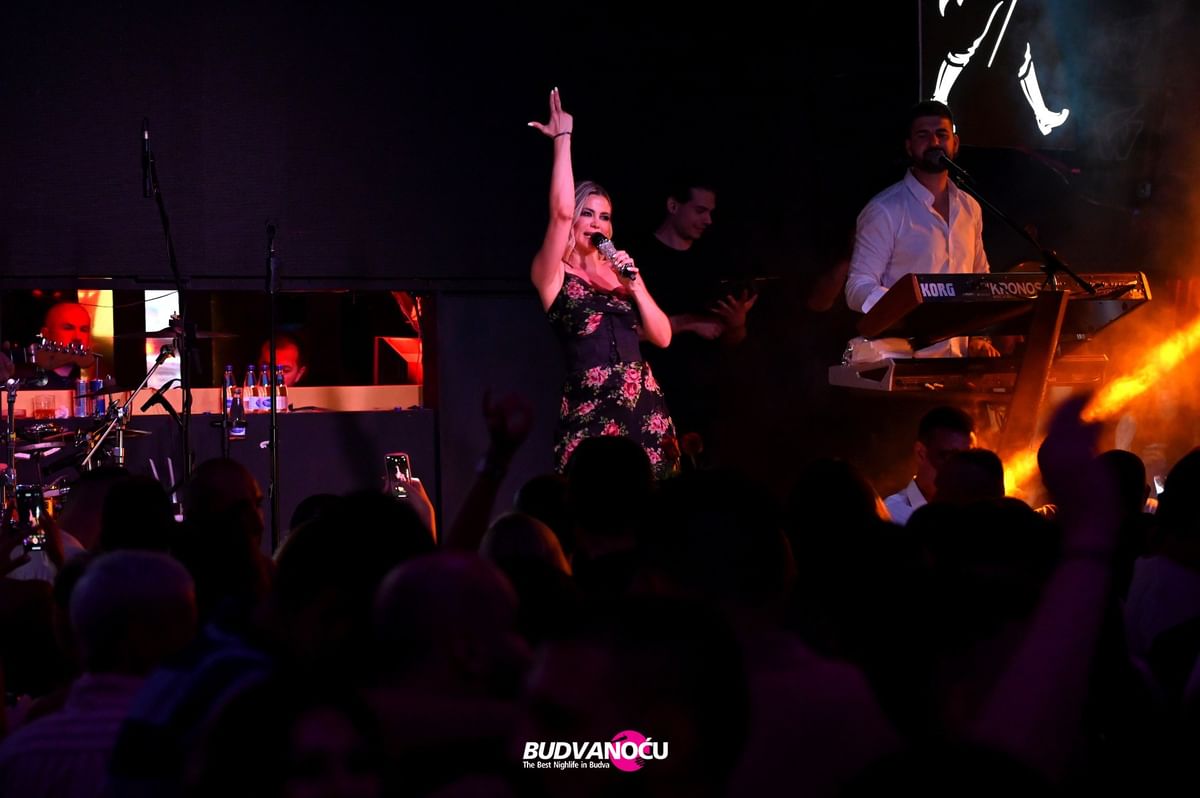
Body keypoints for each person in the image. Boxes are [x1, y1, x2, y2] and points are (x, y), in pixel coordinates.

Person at [528, 88, 676, 477]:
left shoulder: (619, 273)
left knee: (655, 499)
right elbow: (560, 213)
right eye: (588, 214)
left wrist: (636, 286)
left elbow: (662, 337)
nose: (597, 224)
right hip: (590, 410)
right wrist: (563, 138)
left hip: (642, 406)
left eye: (605, 217)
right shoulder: (552, 274)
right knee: (592, 496)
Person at [844, 100, 1000, 359]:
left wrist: (978, 338)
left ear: (955, 143)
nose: (934, 142)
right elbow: (857, 287)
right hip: (903, 359)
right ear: (909, 146)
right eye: (923, 135)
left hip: (959, 362)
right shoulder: (885, 209)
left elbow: (980, 279)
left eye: (942, 134)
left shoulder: (970, 207)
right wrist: (906, 308)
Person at [634, 177, 757, 460]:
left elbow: (732, 340)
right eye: (700, 210)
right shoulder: (637, 259)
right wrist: (687, 323)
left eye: (711, 212)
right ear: (673, 206)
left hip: (704, 399)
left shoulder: (714, 262)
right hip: (653, 393)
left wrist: (737, 324)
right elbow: (626, 331)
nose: (708, 220)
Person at [884, 405, 977, 525]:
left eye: (969, 458)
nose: (961, 470)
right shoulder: (892, 515)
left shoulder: (973, 514)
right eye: (949, 457)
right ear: (920, 453)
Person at [39, 301, 94, 388]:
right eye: (68, 328)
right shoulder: (29, 381)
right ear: (46, 333)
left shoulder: (86, 382)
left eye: (84, 330)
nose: (78, 337)